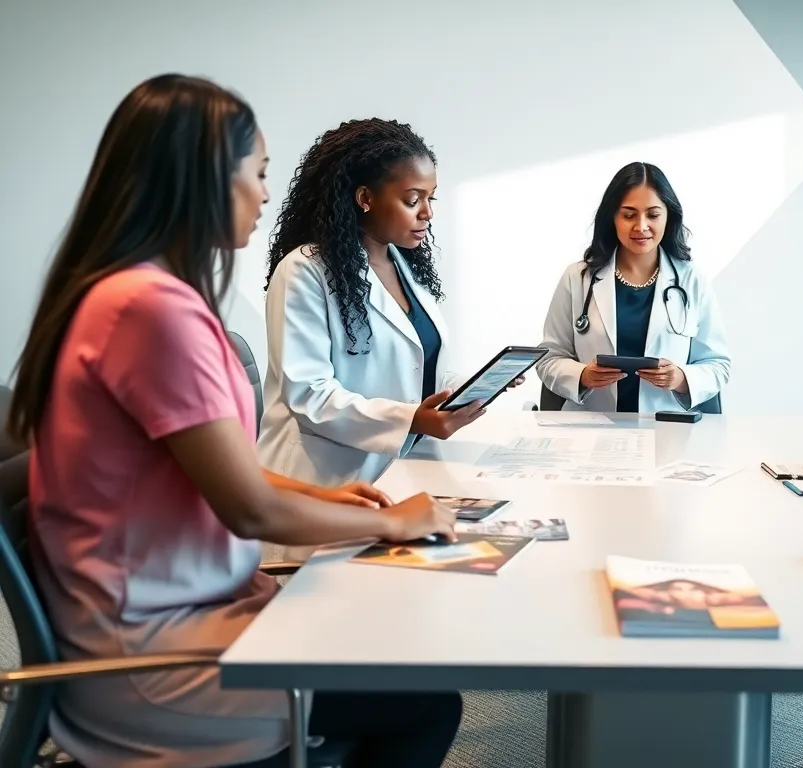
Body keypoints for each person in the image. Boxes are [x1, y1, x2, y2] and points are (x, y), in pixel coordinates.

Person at [4, 74, 464, 768]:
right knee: (426, 701)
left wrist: (326, 498)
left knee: (394, 647)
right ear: (201, 179)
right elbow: (248, 508)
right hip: (160, 657)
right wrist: (393, 523)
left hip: (182, 610)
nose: (267, 194)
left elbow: (218, 469)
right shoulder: (150, 311)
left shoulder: (126, 294)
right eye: (258, 172)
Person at [260, 118, 517, 494]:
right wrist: (412, 420)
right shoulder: (304, 271)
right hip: (320, 482)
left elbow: (415, 370)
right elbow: (309, 396)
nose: (427, 213)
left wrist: (472, 387)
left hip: (402, 471)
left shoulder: (403, 265)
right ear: (365, 198)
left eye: (431, 198)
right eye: (413, 200)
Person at [537, 161, 730, 413]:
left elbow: (717, 365)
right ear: (612, 218)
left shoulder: (692, 280)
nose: (641, 226)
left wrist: (680, 378)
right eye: (629, 215)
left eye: (653, 215)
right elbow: (549, 358)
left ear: (668, 217)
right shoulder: (577, 278)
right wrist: (582, 375)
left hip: (666, 427)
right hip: (590, 426)